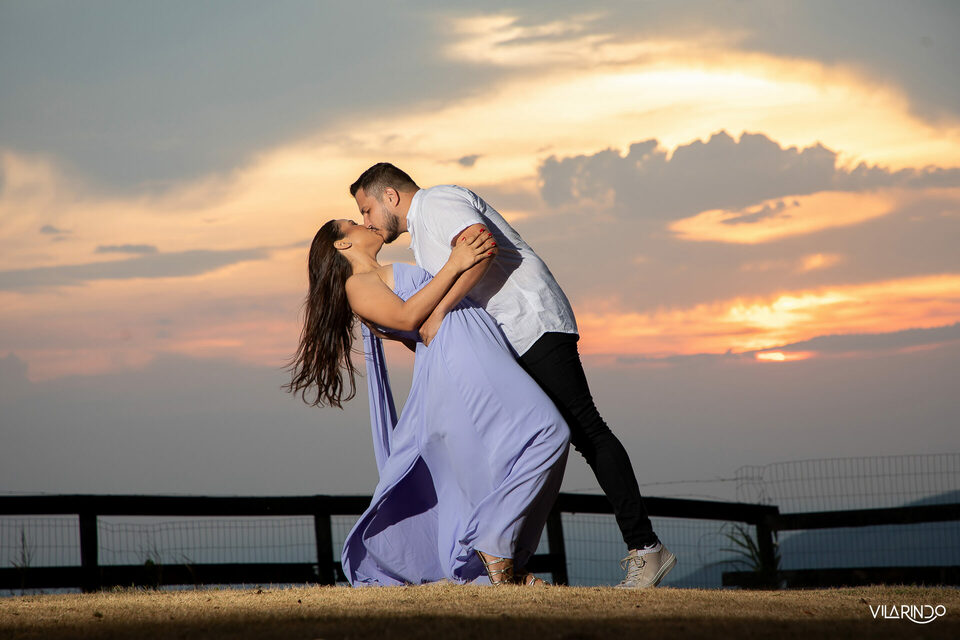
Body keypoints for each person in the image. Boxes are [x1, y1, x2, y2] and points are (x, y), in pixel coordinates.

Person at [350, 163, 677, 589]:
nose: (366, 221)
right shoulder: (423, 232)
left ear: (389, 196)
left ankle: (646, 549)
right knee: (535, 438)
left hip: (531, 322)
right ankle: (501, 555)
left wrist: (439, 312)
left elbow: (479, 247)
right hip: (509, 336)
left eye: (367, 209)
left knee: (585, 429)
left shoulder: (436, 202)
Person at [285, 218, 570, 586]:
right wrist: (456, 262)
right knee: (549, 431)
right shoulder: (358, 285)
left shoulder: (382, 276)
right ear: (342, 245)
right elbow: (409, 318)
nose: (364, 223)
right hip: (460, 359)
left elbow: (416, 329)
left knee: (494, 464)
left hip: (471, 350)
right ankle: (494, 549)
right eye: (354, 222)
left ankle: (496, 564)